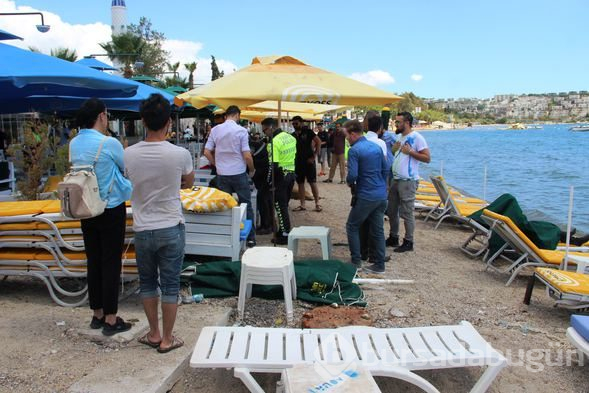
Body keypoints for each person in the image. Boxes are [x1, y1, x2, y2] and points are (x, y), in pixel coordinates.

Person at [124, 93, 194, 353]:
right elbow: (189, 182)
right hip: (171, 226)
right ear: (168, 122)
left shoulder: (127, 154)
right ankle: (167, 338)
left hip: (142, 228)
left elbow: (126, 182)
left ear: (143, 121)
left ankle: (153, 333)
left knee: (147, 283)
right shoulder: (180, 154)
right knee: (171, 284)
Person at [70, 98, 133, 336]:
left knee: (93, 260)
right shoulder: (109, 143)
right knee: (110, 262)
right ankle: (111, 318)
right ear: (101, 116)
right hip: (110, 206)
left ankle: (96, 313)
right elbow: (125, 168)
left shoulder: (74, 143)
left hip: (85, 207)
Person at [204, 105, 256, 247]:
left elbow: (206, 152)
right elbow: (247, 155)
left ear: (226, 115)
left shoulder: (215, 130)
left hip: (222, 174)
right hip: (239, 173)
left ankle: (227, 235)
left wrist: (216, 164)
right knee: (246, 204)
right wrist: (251, 169)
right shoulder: (241, 131)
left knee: (225, 205)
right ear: (237, 115)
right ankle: (250, 238)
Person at [344, 120, 388, 274]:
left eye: (347, 136)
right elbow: (386, 168)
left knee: (352, 225)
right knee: (378, 230)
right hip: (381, 194)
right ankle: (379, 264)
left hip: (366, 194)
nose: (346, 139)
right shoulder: (376, 147)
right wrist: (381, 185)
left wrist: (350, 182)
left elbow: (353, 175)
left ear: (353, 134)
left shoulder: (354, 150)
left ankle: (356, 261)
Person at [388, 112, 431, 253]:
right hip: (396, 179)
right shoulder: (400, 137)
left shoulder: (417, 138)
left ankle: (409, 241)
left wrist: (411, 152)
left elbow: (427, 158)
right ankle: (394, 237)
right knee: (392, 210)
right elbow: (396, 154)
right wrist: (394, 150)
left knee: (407, 212)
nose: (396, 124)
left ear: (407, 122)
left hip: (408, 181)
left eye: (398, 122)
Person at [261, 117, 296, 245]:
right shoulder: (290, 137)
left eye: (265, 131)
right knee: (284, 205)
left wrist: (269, 181)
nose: (265, 134)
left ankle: (285, 234)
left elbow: (273, 165)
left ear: (270, 128)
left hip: (280, 176)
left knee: (280, 206)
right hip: (291, 173)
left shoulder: (274, 142)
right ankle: (283, 230)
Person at [292, 116, 322, 212]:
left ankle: (317, 203)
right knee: (300, 183)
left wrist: (314, 157)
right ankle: (302, 205)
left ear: (301, 123)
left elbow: (318, 142)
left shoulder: (308, 132)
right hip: (298, 162)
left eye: (296, 123)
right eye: (293, 123)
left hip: (309, 161)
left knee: (312, 182)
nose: (294, 125)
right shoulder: (292, 135)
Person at [249, 132, 272, 235]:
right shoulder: (261, 147)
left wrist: (252, 171)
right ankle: (268, 224)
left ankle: (266, 226)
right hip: (266, 176)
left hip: (264, 176)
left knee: (263, 200)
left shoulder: (254, 147)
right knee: (266, 200)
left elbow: (249, 157)